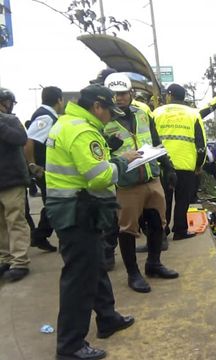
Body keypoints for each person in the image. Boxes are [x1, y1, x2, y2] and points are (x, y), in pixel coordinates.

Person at [45, 84, 138, 359]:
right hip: (78, 211)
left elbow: (86, 164)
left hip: (77, 208)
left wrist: (115, 158)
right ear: (97, 107)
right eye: (109, 110)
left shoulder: (67, 123)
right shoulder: (83, 131)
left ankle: (107, 318)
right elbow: (98, 175)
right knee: (79, 279)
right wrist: (122, 163)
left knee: (96, 267)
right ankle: (70, 346)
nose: (111, 115)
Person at [104, 73, 179, 293]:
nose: (119, 98)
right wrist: (109, 144)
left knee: (157, 223)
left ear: (131, 94)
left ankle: (154, 264)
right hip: (126, 183)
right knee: (127, 229)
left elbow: (156, 142)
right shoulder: (103, 121)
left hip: (150, 176)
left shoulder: (143, 114)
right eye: (115, 94)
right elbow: (97, 153)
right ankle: (133, 274)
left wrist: (168, 166)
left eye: (123, 93)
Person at [154, 83, 207, 240]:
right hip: (186, 165)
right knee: (183, 200)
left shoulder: (157, 113)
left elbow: (149, 138)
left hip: (162, 165)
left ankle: (162, 232)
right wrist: (199, 164)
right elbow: (201, 144)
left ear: (169, 96)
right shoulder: (193, 114)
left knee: (164, 200)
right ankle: (180, 231)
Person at [24, 86, 64, 252]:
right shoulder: (45, 117)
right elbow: (29, 141)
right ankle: (41, 235)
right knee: (56, 203)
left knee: (53, 203)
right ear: (59, 100)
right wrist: (33, 165)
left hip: (47, 168)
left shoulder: (47, 115)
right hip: (44, 169)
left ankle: (41, 235)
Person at [0, 87, 31, 282]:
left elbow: (21, 139)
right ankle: (5, 258)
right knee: (1, 224)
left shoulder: (10, 121)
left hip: (12, 182)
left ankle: (20, 262)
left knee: (15, 221)